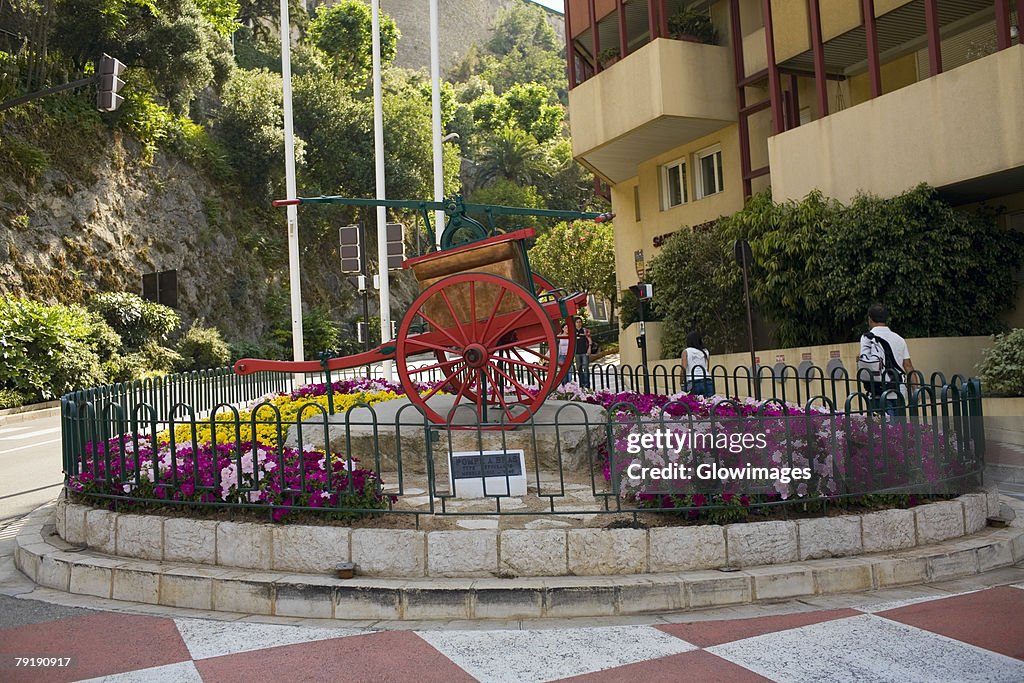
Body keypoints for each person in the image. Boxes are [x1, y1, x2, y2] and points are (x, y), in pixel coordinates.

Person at [858, 303, 915, 416]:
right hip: (899, 391)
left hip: (879, 391)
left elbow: (867, 363)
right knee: (899, 428)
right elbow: (908, 365)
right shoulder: (899, 339)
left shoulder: (868, 337)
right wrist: (916, 389)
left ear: (870, 319)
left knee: (883, 430)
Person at [682, 331, 714, 398]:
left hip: (693, 381)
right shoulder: (705, 351)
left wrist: (681, 382)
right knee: (709, 403)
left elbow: (683, 369)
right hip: (707, 380)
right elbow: (707, 368)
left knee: (694, 405)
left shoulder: (686, 351)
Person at [573, 317, 592, 389]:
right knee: (579, 369)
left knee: (586, 368)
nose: (579, 323)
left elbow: (589, 340)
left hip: (584, 352)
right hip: (577, 353)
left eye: (580, 322)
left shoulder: (584, 330)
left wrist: (589, 348)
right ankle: (581, 385)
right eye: (577, 322)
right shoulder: (573, 331)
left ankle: (587, 385)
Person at [556, 321, 570, 386]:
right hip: (561, 355)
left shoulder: (570, 336)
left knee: (569, 371)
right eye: (566, 327)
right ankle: (564, 385)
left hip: (568, 355)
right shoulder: (559, 336)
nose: (567, 329)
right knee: (563, 371)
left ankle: (569, 385)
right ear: (563, 329)